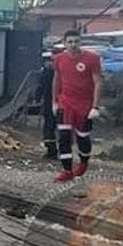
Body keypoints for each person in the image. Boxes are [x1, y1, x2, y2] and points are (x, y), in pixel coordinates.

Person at [52, 29, 103, 182]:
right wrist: (54, 101)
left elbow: (98, 82)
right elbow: (56, 80)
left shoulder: (92, 59)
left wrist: (96, 106)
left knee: (83, 136)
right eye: (70, 42)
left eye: (76, 41)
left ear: (80, 42)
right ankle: (67, 170)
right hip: (65, 102)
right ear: (65, 43)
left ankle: (84, 162)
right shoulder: (59, 59)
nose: (73, 45)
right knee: (64, 137)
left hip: (84, 104)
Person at [34, 50, 58, 159]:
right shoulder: (47, 72)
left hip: (60, 103)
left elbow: (40, 85)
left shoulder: (55, 72)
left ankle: (57, 151)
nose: (49, 63)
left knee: (58, 127)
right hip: (50, 103)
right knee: (49, 127)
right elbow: (41, 85)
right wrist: (37, 97)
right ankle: (51, 150)